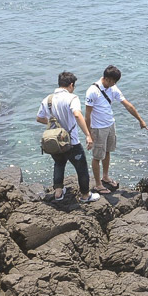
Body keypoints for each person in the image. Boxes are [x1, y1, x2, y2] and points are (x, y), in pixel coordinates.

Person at [36, 71, 99, 203]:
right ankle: (85, 196)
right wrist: (88, 135)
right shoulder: (72, 98)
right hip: (71, 142)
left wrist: (53, 124)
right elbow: (77, 115)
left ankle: (58, 193)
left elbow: (39, 118)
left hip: (54, 142)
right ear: (71, 85)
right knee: (81, 168)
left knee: (59, 164)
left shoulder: (47, 99)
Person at [84, 65, 148, 194]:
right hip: (98, 128)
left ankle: (105, 177)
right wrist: (88, 134)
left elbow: (127, 105)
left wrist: (140, 120)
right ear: (107, 79)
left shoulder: (113, 88)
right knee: (97, 156)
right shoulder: (92, 91)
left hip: (110, 125)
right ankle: (97, 185)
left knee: (108, 151)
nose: (115, 84)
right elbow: (87, 115)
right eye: (113, 81)